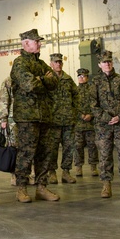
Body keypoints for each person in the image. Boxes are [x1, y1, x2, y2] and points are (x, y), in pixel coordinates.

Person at [9, 28, 58, 203]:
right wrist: (43, 79)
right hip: (27, 117)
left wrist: (43, 79)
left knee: (44, 153)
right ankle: (21, 188)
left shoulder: (42, 64)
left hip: (44, 115)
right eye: (36, 41)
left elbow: (55, 81)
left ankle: (41, 187)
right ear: (26, 44)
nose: (39, 44)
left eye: (39, 41)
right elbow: (29, 84)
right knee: (26, 153)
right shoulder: (20, 63)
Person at [89, 50, 120, 199]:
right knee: (104, 155)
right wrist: (105, 117)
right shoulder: (95, 82)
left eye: (109, 61)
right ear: (99, 65)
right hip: (103, 125)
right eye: (104, 62)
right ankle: (106, 185)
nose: (107, 64)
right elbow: (93, 105)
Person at [47, 53, 79, 185]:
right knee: (52, 148)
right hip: (53, 121)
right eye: (55, 62)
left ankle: (66, 172)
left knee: (69, 147)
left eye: (60, 62)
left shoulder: (68, 79)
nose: (58, 64)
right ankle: (52, 172)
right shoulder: (48, 79)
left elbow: (76, 95)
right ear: (51, 64)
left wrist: (75, 111)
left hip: (68, 120)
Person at [73, 68, 99, 177]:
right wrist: (80, 115)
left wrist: (91, 115)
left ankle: (93, 167)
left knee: (92, 145)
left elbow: (97, 104)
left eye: (83, 76)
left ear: (87, 77)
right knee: (78, 146)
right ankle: (78, 167)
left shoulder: (93, 90)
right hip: (78, 124)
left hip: (91, 124)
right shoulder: (75, 90)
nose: (81, 78)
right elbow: (72, 105)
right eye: (79, 76)